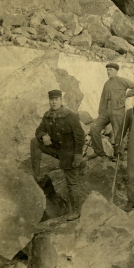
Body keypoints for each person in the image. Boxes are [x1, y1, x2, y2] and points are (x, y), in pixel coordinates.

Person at [31, 90, 87, 221]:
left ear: (61, 100)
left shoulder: (70, 116)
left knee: (72, 182)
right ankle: (37, 174)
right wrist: (43, 135)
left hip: (69, 152)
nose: (54, 102)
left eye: (56, 99)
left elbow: (80, 136)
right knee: (34, 142)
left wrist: (77, 155)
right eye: (51, 100)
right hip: (56, 149)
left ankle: (76, 210)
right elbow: (39, 130)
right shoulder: (47, 115)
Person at [89, 63, 134, 159]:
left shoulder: (122, 81)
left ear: (116, 71)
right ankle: (98, 151)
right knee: (94, 128)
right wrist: (100, 111)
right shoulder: (106, 83)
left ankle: (119, 154)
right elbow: (102, 98)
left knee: (118, 133)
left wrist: (127, 95)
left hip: (118, 111)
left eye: (110, 70)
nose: (108, 72)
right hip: (106, 111)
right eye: (107, 70)